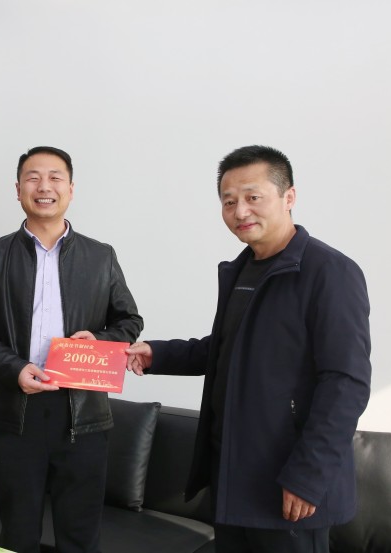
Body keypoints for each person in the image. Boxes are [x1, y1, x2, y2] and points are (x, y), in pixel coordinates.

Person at [126, 145, 371, 553]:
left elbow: (347, 383)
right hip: (232, 478)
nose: (240, 211)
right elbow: (230, 348)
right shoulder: (242, 268)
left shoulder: (330, 272)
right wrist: (158, 354)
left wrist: (308, 475)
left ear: (289, 197)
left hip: (289, 484)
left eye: (253, 197)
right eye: (229, 201)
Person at [0, 146, 143, 553]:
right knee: (18, 532)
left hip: (83, 413)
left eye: (55, 177)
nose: (44, 187)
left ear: (71, 189)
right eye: (33, 177)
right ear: (18, 189)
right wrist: (14, 368)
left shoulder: (101, 256)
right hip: (14, 411)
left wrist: (101, 340)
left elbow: (130, 321)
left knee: (80, 535)